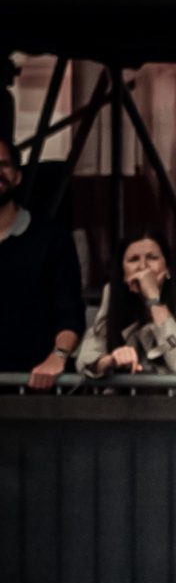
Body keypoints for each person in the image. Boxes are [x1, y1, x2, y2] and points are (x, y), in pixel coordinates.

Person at [0, 132, 86, 390]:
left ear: (17, 176)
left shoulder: (51, 238)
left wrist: (57, 357)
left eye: (2, 165)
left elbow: (70, 315)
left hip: (34, 393)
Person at [76, 232, 176, 378]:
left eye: (152, 258)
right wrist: (110, 360)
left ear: (167, 267)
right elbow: (85, 359)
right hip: (128, 398)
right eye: (133, 260)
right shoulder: (112, 293)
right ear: (123, 273)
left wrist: (153, 300)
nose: (143, 266)